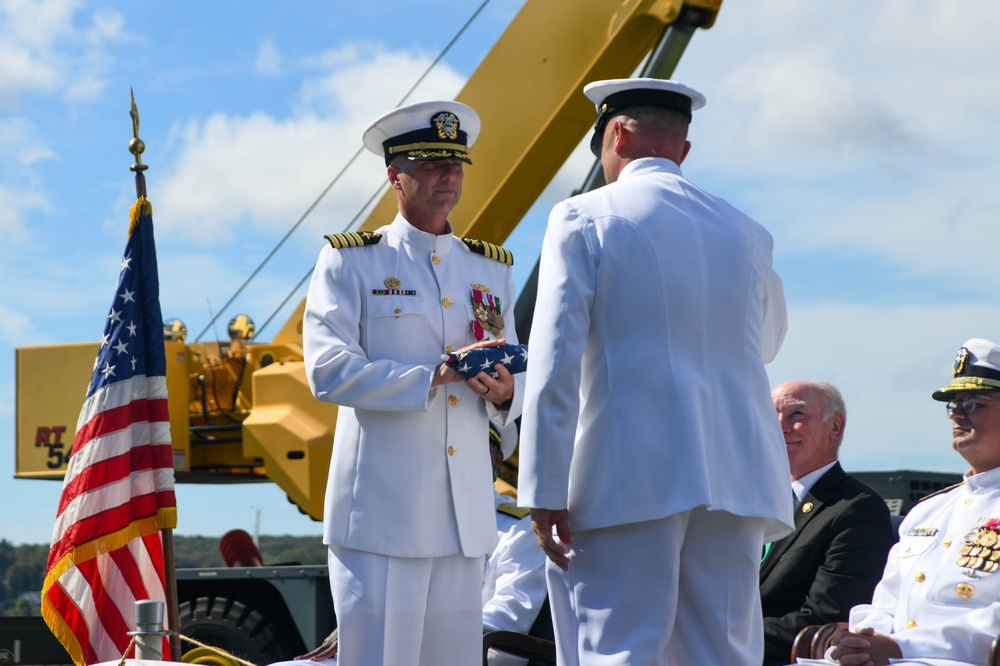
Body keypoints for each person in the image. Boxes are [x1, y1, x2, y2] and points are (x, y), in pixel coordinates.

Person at [517, 77, 794, 666]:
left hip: (628, 472)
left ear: (615, 134)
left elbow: (554, 361)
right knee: (721, 654)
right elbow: (766, 343)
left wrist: (544, 487)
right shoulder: (749, 232)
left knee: (617, 649)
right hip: (737, 474)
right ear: (683, 150)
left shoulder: (583, 216)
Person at [302, 99, 524, 666]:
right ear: (393, 174)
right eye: (429, 163)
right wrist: (436, 373)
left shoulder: (490, 268)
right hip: (383, 517)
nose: (447, 176)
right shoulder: (351, 262)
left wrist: (503, 394)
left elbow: (517, 379)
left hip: (464, 517)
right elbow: (328, 370)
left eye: (455, 164)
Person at [269, 422, 547, 666]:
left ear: (497, 461)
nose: (458, 460)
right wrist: (361, 629)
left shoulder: (520, 528)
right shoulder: (413, 523)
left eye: (473, 448)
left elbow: (507, 618)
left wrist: (405, 636)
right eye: (449, 450)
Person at [795, 338, 1000, 666]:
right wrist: (861, 641)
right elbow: (884, 605)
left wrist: (900, 648)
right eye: (953, 404)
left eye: (973, 403)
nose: (957, 414)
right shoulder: (927, 512)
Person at [763, 380, 895, 666]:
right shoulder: (751, 501)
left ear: (835, 427)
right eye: (771, 415)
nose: (780, 426)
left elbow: (826, 619)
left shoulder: (857, 509)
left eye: (796, 415)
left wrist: (723, 639)